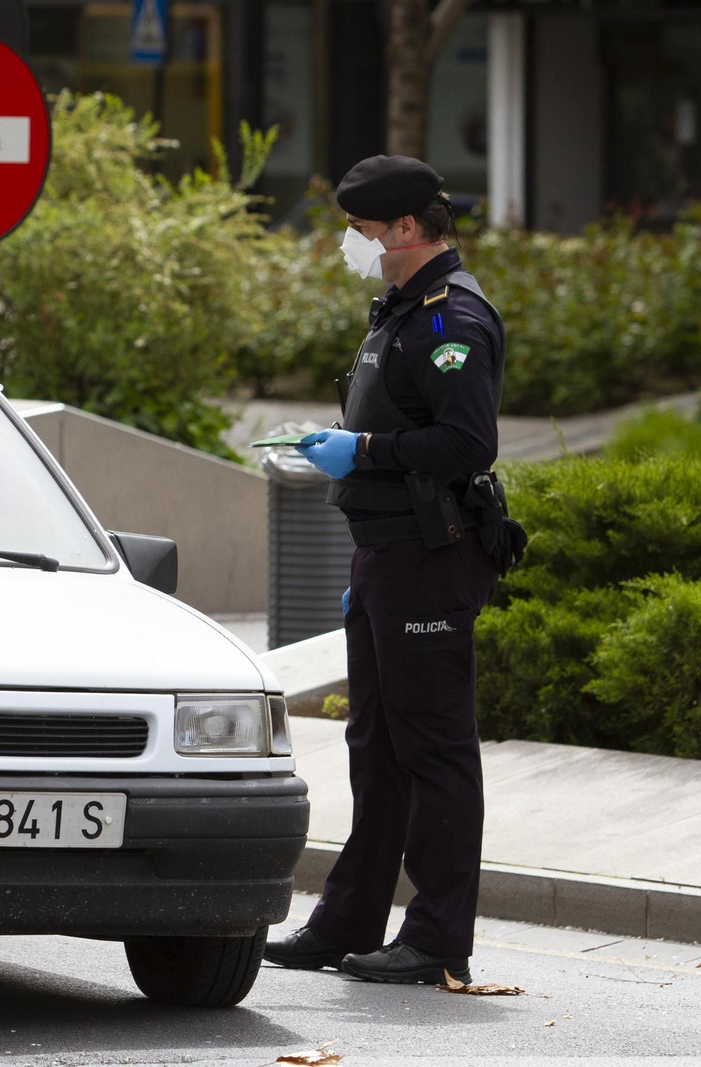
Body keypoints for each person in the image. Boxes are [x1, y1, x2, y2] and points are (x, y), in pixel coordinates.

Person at [264, 155, 523, 985]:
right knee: (376, 746)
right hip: (389, 556)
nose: (354, 243)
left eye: (364, 230)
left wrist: (362, 450)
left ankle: (439, 937)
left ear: (407, 229)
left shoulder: (454, 318)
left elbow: (467, 443)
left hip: (430, 558)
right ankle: (346, 922)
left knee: (435, 749)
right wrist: (368, 560)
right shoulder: (404, 307)